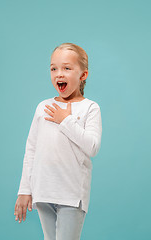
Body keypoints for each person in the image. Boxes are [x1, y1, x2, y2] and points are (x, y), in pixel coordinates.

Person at [14, 42, 102, 240]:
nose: (59, 74)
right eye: (54, 68)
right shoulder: (43, 107)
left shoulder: (90, 108)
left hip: (71, 194)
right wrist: (25, 190)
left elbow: (93, 147)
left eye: (67, 68)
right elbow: (31, 150)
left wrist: (66, 121)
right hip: (43, 190)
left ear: (83, 75)